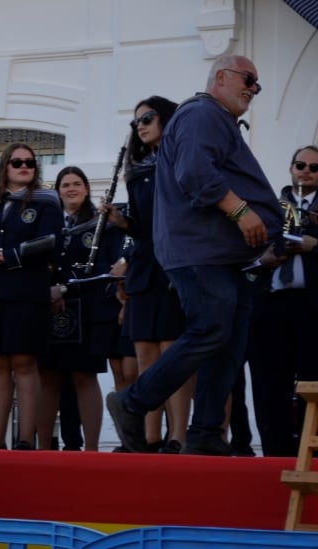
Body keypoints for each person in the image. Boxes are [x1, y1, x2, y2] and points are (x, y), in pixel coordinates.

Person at [107, 55, 282, 456]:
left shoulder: (213, 118)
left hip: (221, 254)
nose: (254, 89)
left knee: (229, 340)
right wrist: (241, 211)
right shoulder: (202, 113)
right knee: (211, 329)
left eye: (257, 83)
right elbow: (195, 172)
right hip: (201, 251)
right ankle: (133, 402)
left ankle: (204, 432)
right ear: (221, 76)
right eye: (248, 79)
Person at [104, 96, 190, 453]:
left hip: (173, 266)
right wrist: (122, 221)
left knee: (172, 353)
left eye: (148, 118)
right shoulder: (137, 170)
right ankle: (149, 438)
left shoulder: (181, 161)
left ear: (166, 118)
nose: (140, 126)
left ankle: (178, 436)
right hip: (143, 267)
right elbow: (142, 227)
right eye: (136, 121)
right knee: (145, 356)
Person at [0, 143, 62, 449]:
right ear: (5, 166)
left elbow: (50, 243)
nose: (24, 167)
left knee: (24, 362)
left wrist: (6, 257)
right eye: (17, 162)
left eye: (30, 163)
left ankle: (25, 439)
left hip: (26, 292)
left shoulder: (46, 202)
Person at [248, 145, 318, 456]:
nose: (306, 171)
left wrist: (314, 245)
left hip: (312, 307)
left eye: (314, 168)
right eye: (301, 165)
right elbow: (244, 252)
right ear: (291, 168)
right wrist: (262, 260)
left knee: (312, 382)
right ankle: (275, 454)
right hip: (271, 305)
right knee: (270, 383)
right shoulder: (269, 207)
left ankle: (311, 454)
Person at [35, 166, 108, 451]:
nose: (71, 189)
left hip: (87, 308)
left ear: (87, 189)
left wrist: (64, 287)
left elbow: (102, 266)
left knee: (84, 376)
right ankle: (43, 448)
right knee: (47, 377)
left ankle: (92, 450)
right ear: (58, 192)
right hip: (50, 311)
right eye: (65, 185)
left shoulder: (100, 224)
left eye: (77, 183)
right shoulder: (49, 223)